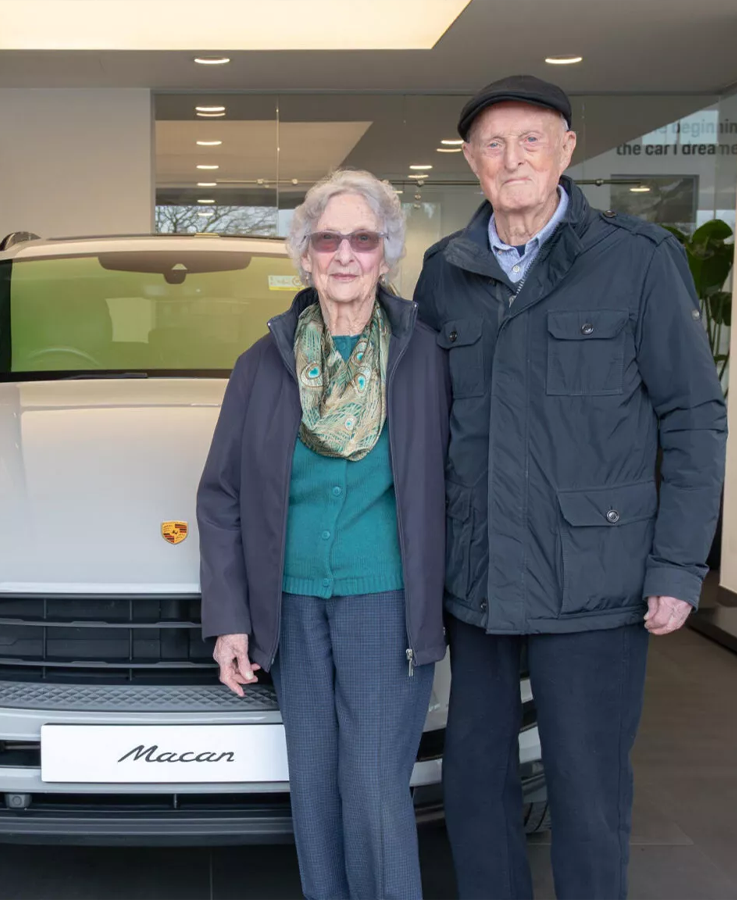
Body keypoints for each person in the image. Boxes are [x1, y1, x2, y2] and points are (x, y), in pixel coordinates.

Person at [413, 74, 727, 899]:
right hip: (477, 580)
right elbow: (424, 430)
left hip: (594, 578)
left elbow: (693, 418)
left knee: (587, 796)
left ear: (566, 150)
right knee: (475, 786)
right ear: (470, 161)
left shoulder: (637, 261)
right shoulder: (445, 271)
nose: (510, 158)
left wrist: (677, 567)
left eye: (529, 140)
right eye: (491, 144)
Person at [198, 168, 449, 900]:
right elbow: (220, 496)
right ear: (305, 255)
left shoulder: (425, 358)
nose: (345, 254)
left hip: (387, 603)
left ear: (386, 255)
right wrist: (230, 620)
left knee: (372, 788)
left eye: (362, 239)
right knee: (312, 788)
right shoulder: (261, 366)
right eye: (328, 239)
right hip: (291, 607)